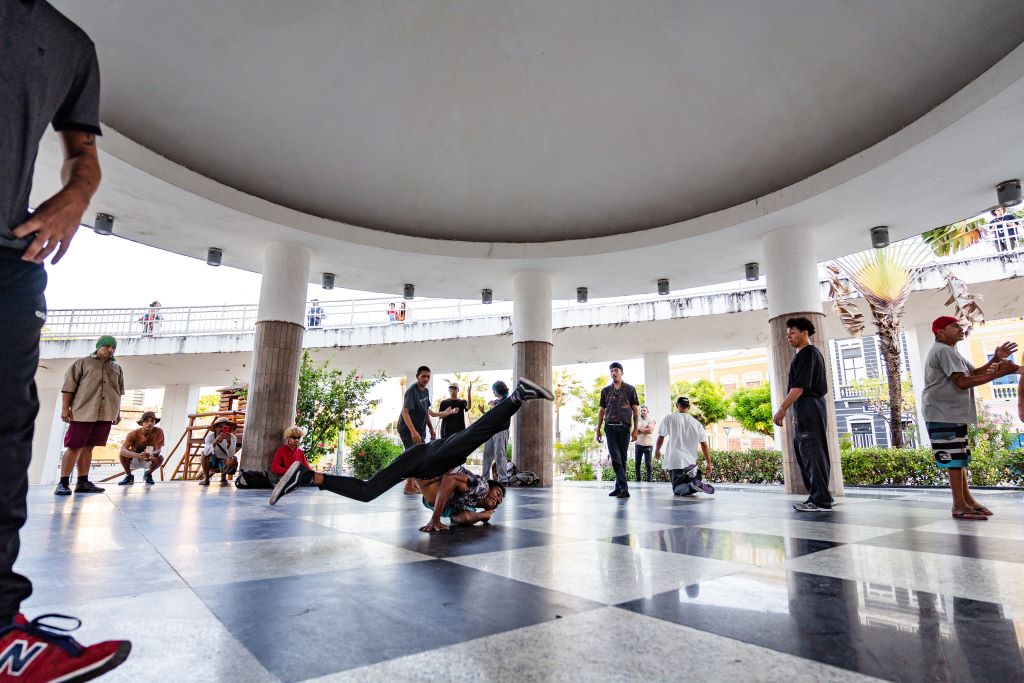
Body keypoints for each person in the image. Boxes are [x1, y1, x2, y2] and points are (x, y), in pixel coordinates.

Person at [0, 1, 132, 675]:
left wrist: (78, 194)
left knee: (5, 428)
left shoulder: (72, 44)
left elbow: (83, 151)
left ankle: (0, 630)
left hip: (9, 257)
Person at [270, 379, 555, 533]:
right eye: (498, 494)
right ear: (490, 486)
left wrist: (484, 515)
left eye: (499, 500)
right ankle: (518, 395)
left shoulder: (470, 504)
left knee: (368, 491)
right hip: (436, 459)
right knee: (476, 434)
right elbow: (449, 481)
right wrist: (435, 518)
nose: (497, 498)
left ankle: (306, 475)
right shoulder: (479, 486)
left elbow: (460, 519)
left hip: (422, 462)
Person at [922, 316, 1018, 520]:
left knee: (960, 459)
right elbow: (962, 382)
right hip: (942, 413)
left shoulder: (952, 351)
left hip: (952, 413)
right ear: (940, 332)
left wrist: (996, 360)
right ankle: (959, 506)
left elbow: (973, 373)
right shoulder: (943, 351)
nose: (960, 329)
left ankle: (968, 501)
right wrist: (998, 374)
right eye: (954, 326)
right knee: (954, 461)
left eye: (960, 325)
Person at [772, 317, 834, 512]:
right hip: (806, 407)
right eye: (787, 333)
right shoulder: (804, 355)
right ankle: (819, 496)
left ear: (805, 333)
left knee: (811, 451)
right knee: (805, 450)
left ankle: (820, 499)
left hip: (810, 406)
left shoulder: (808, 353)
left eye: (792, 332)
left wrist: (782, 408)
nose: (788, 336)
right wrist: (796, 412)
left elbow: (799, 387)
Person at [56, 335, 125, 496]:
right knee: (74, 446)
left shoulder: (117, 368)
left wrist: (117, 412)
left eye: (113, 347)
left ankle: (83, 482)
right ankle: (63, 482)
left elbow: (118, 392)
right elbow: (68, 388)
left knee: (89, 446)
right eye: (107, 346)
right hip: (83, 412)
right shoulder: (82, 363)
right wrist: (65, 409)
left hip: (106, 414)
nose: (110, 350)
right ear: (98, 346)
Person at [398, 366, 453, 493]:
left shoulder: (426, 392)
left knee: (418, 455)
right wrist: (413, 431)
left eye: (428, 376)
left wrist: (431, 429)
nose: (426, 379)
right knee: (415, 455)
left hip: (419, 428)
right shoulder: (412, 391)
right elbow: (405, 412)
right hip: (407, 428)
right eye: (423, 376)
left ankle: (411, 484)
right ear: (417, 376)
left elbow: (426, 412)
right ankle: (409, 486)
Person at [596, 362, 640, 498]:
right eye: (611, 371)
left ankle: (618, 487)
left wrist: (635, 430)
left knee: (622, 459)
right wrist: (598, 429)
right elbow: (601, 411)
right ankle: (624, 488)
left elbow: (635, 410)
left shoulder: (630, 389)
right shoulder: (605, 391)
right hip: (610, 427)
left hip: (625, 427)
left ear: (621, 372)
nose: (613, 373)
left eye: (616, 370)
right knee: (616, 458)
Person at [656, 397, 714, 496]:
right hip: (690, 461)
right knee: (688, 484)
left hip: (676, 460)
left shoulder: (669, 418)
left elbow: (661, 436)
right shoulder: (697, 424)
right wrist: (709, 463)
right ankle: (696, 480)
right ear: (689, 407)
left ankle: (694, 484)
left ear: (676, 406)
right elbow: (704, 444)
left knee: (677, 487)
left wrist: (657, 450)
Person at [117, 411, 165, 486]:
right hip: (134, 458)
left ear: (155, 422)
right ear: (142, 423)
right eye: (146, 421)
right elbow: (123, 450)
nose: (149, 423)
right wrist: (139, 455)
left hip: (149, 458)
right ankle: (129, 476)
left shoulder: (158, 431)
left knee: (160, 458)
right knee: (122, 454)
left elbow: (158, 449)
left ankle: (148, 474)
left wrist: (151, 454)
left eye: (152, 421)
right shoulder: (133, 434)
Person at [480, 381, 511, 482]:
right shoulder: (495, 402)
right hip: (491, 431)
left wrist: (492, 405)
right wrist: (483, 412)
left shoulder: (507, 401)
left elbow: (500, 413)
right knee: (486, 455)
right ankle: (485, 478)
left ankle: (503, 479)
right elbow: (492, 416)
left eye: (494, 390)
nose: (493, 392)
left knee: (500, 455)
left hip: (501, 431)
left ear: (499, 390)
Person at [201, 417, 239, 486]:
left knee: (231, 460)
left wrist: (229, 442)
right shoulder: (210, 436)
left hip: (225, 463)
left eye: (225, 427)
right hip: (213, 463)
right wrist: (216, 441)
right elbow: (206, 453)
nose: (222, 429)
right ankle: (206, 478)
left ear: (229, 428)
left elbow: (231, 455)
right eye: (220, 426)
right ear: (215, 428)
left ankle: (223, 476)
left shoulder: (232, 437)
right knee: (203, 453)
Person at [635, 405, 656, 482]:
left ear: (647, 411)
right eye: (641, 410)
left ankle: (649, 480)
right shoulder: (637, 420)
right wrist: (644, 429)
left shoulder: (651, 420)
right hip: (638, 445)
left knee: (648, 464)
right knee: (637, 464)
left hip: (648, 445)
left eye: (644, 410)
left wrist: (639, 429)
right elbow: (634, 432)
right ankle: (638, 480)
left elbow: (650, 430)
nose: (642, 412)